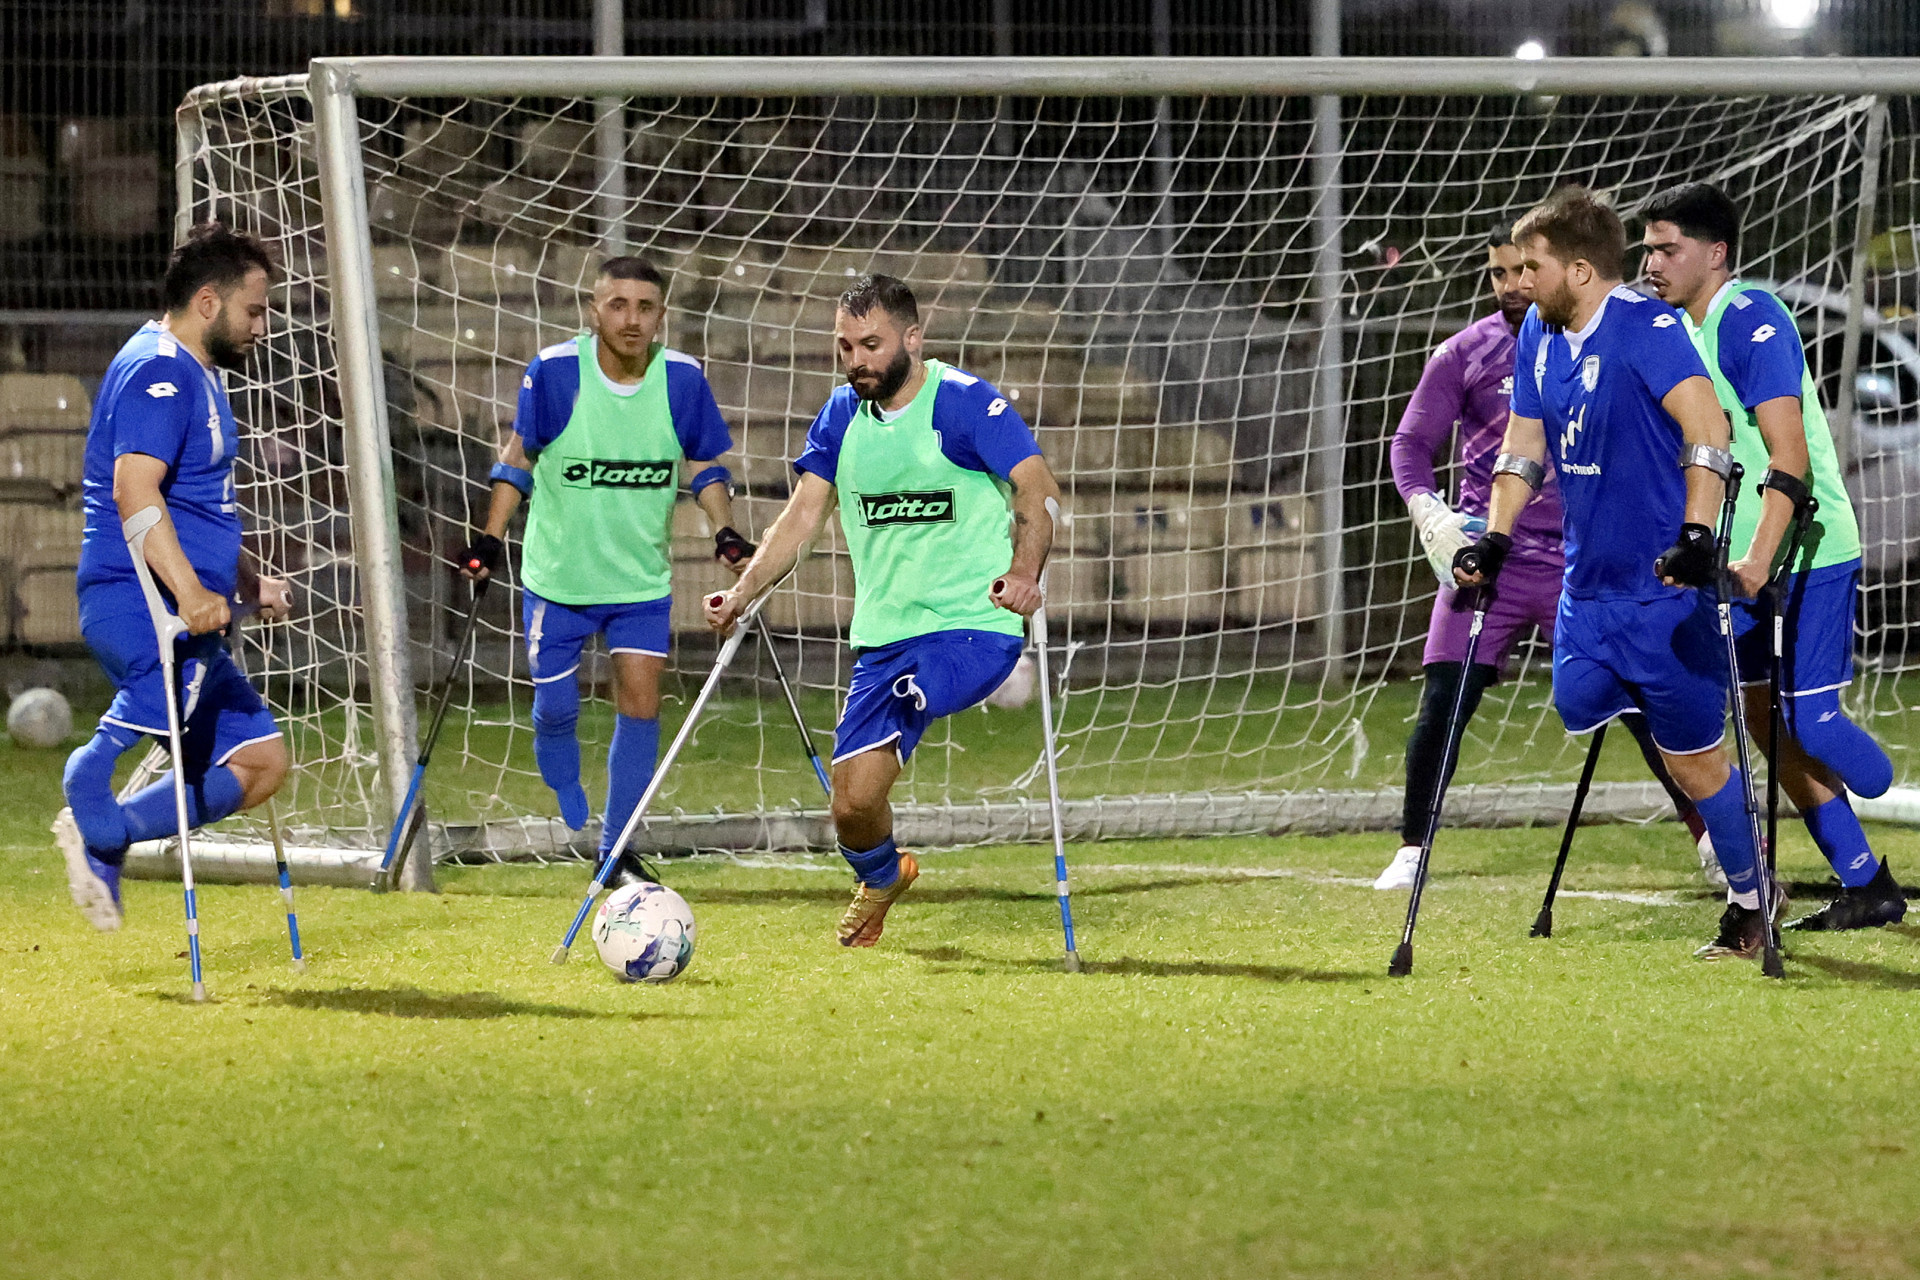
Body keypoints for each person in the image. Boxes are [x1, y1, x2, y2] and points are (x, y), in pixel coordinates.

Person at [1454, 186, 1774, 962]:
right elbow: (1524, 447)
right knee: (1580, 701)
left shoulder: (1649, 328)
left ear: (1584, 271)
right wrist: (1493, 539)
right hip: (1586, 591)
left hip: (1660, 588)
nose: (1520, 280)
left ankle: (1750, 898)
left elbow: (1711, 428)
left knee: (1695, 762)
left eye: (1534, 267)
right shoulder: (1537, 329)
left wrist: (1698, 534)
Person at [706, 274, 1060, 947]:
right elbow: (803, 518)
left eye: (870, 344)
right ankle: (881, 873)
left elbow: (1038, 489)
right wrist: (743, 592)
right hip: (884, 639)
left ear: (912, 338)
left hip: (971, 625)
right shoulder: (840, 417)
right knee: (853, 805)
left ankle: (1006, 679)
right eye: (845, 346)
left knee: (920, 688)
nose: (856, 359)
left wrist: (1023, 572)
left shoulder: (962, 404)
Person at [1378, 226, 1712, 891]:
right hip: (1493, 556)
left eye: (1522, 271)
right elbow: (1411, 445)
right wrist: (1430, 513)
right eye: (1499, 274)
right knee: (1445, 699)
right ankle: (1413, 851)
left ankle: (1708, 836)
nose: (1512, 285)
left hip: (1582, 560)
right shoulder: (1462, 354)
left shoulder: (1600, 339)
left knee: (1644, 703)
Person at [1642, 181, 1904, 930]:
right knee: (1764, 726)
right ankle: (1867, 885)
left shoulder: (1748, 316)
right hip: (1740, 564)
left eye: (1669, 248)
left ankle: (1882, 782)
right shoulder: (1679, 332)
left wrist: (1758, 559)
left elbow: (1790, 457)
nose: (1653, 262)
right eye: (1648, 248)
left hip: (1805, 554)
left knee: (1812, 726)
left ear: (1715, 254)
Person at [461, 256, 751, 887]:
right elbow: (520, 457)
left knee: (642, 708)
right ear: (594, 311)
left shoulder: (682, 380)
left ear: (662, 316)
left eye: (645, 307)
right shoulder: (558, 372)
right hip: (558, 582)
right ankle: (564, 778)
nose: (631, 319)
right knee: (556, 711)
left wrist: (723, 530)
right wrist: (488, 537)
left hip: (640, 585)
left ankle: (615, 851)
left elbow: (703, 466)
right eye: (617, 305)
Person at [54, 222, 294, 931]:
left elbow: (198, 504)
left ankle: (106, 836)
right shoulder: (160, 371)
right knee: (149, 712)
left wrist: (247, 580)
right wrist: (190, 593)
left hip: (192, 606)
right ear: (211, 303)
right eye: (255, 310)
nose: (263, 325)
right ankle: (88, 778)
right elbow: (137, 491)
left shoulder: (197, 372)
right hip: (142, 604)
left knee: (260, 762)